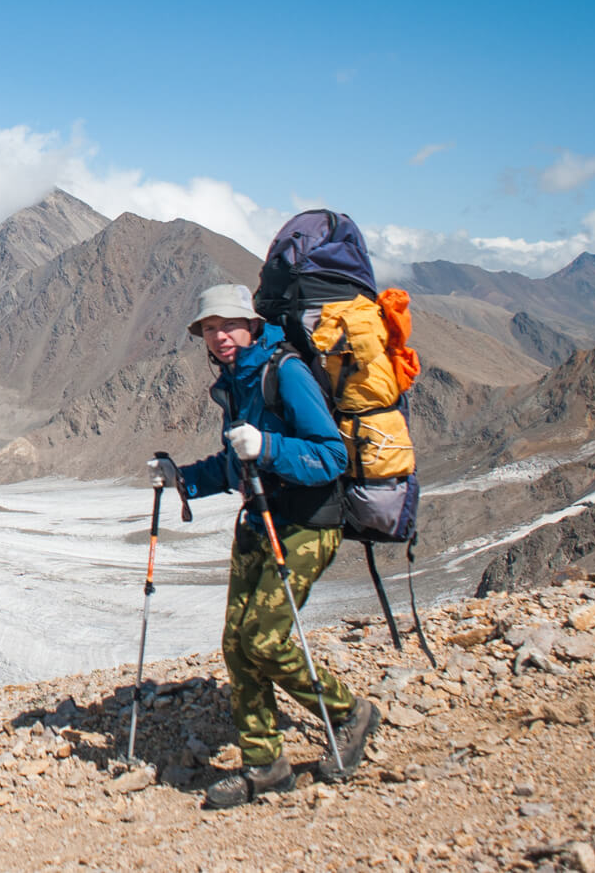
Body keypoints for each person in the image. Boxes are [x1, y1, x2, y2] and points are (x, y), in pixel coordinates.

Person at [161, 283, 379, 808]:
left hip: (307, 523)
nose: (220, 337)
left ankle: (350, 713)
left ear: (253, 324)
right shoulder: (236, 382)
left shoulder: (286, 373)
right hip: (261, 521)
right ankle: (265, 766)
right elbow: (236, 461)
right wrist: (182, 480)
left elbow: (330, 455)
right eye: (210, 329)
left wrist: (269, 446)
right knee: (237, 646)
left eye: (228, 325)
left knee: (263, 639)